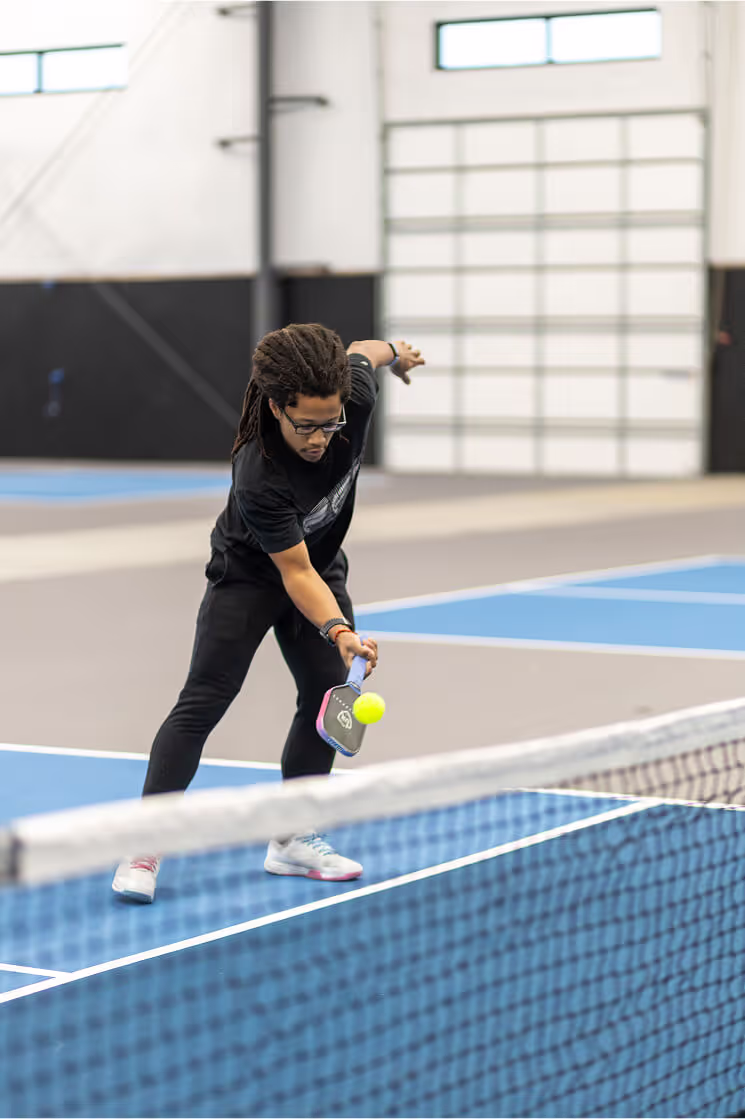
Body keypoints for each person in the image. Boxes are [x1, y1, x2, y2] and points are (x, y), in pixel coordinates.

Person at [112, 323, 425, 902]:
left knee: (333, 696)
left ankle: (291, 836)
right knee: (206, 696)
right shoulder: (259, 471)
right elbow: (293, 573)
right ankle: (145, 842)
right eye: (305, 424)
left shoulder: (351, 392)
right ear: (277, 407)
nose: (321, 438)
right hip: (251, 576)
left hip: (320, 565)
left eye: (331, 423)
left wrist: (397, 354)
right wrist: (338, 628)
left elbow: (363, 352)